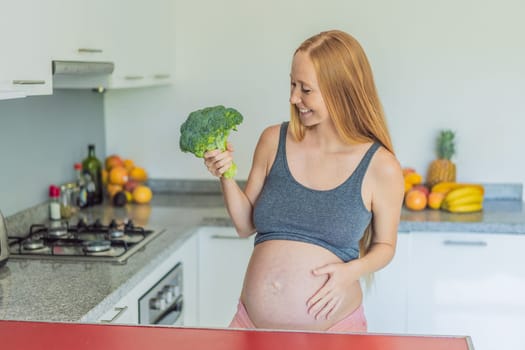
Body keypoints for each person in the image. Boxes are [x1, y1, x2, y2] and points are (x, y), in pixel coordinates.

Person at [203, 29, 404, 332]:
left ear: (341, 90)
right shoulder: (273, 140)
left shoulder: (381, 167)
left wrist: (350, 273)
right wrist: (226, 175)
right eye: (292, 84)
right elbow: (245, 226)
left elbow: (385, 246)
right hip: (250, 326)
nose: (293, 97)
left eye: (306, 89)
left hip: (334, 333)